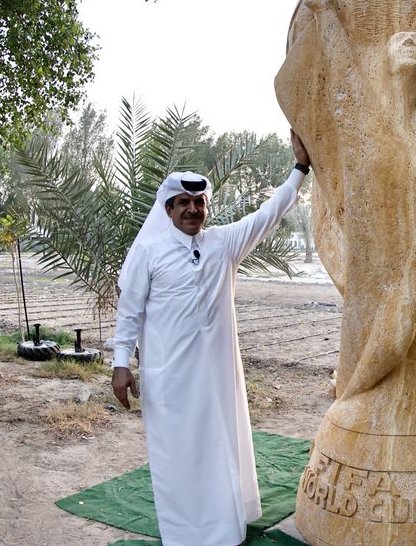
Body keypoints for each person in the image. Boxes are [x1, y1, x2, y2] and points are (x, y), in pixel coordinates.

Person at [110, 131, 310, 546]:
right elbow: (129, 312)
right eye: (183, 203)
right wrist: (120, 365)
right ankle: (185, 536)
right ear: (168, 209)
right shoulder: (148, 253)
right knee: (178, 457)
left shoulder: (222, 243)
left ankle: (224, 530)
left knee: (220, 449)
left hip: (216, 380)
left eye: (199, 203)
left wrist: (300, 168)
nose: (192, 209)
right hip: (171, 380)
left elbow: (267, 214)